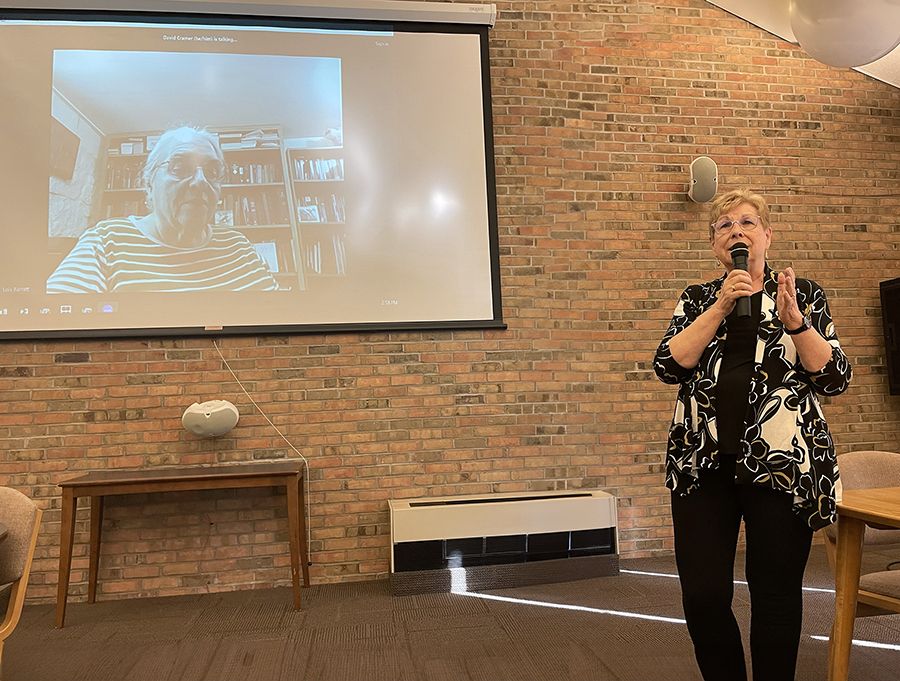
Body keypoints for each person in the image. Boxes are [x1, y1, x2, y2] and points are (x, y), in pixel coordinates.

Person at [653, 189, 852, 681]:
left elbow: (834, 378)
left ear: (767, 235)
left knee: (775, 593)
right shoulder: (699, 298)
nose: (736, 231)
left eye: (747, 222)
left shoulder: (801, 293)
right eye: (724, 225)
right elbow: (668, 364)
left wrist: (797, 325)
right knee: (702, 594)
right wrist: (720, 306)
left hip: (783, 467)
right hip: (703, 466)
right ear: (714, 243)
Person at [47, 126, 279, 292]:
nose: (201, 181)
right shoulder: (106, 241)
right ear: (148, 183)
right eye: (179, 166)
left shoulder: (239, 246)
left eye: (212, 171)